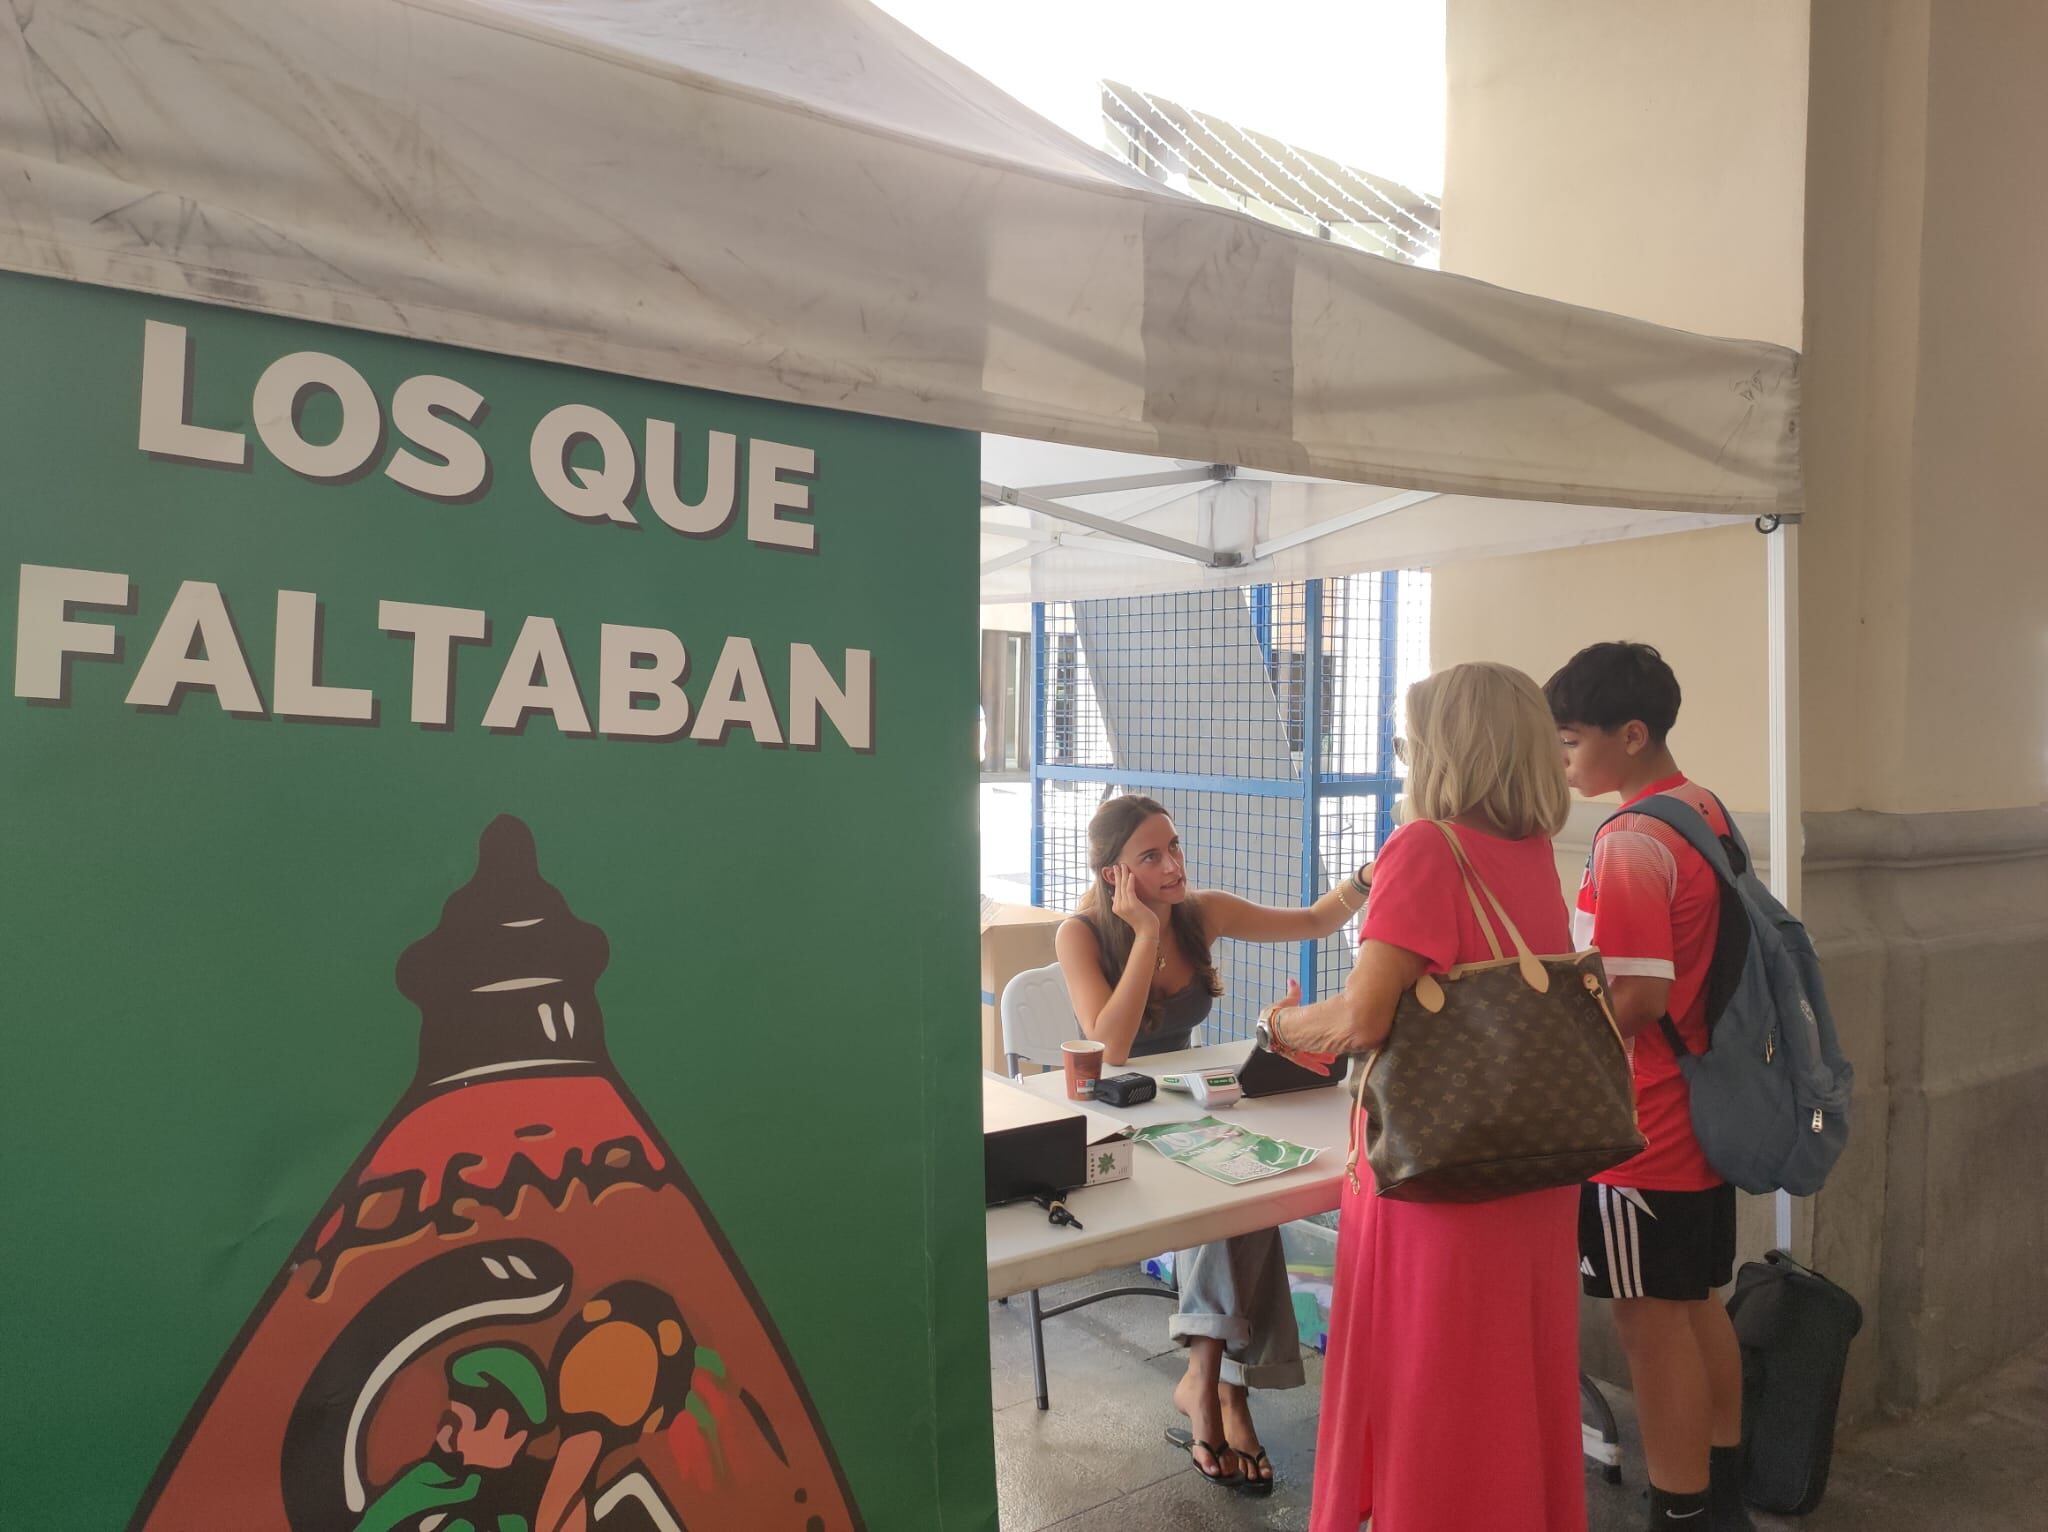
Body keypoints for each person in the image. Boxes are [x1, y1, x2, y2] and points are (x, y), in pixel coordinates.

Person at [1260, 662, 1584, 1532]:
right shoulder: (1532, 851)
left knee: (1430, 1384)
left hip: (1437, 1170)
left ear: (1447, 750)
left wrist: (1281, 1027)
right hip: (1531, 1162)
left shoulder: (1427, 848)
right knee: (1508, 1382)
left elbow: (1363, 1016)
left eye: (1408, 743)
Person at [1054, 793, 1368, 1494]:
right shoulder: (1080, 934)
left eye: (1174, 846)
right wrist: (1143, 936)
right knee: (1237, 1202)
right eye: (1151, 856)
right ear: (1113, 875)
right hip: (1114, 1121)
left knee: (1244, 1194)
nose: (1174, 865)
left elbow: (1315, 921)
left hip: (1188, 1108)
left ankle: (1208, 1383)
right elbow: (1110, 1046)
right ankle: (1226, 1394)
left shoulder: (1201, 913)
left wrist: (1368, 879)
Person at [1546, 641, 1753, 1532]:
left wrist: (1549, 1047)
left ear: (1631, 735)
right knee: (1695, 1306)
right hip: (1703, 1108)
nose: (1563, 761)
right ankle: (1724, 1495)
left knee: (1649, 1328)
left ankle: (1680, 1509)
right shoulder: (1702, 809)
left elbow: (1636, 998)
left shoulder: (1630, 840)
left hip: (1644, 1127)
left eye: (1572, 742)